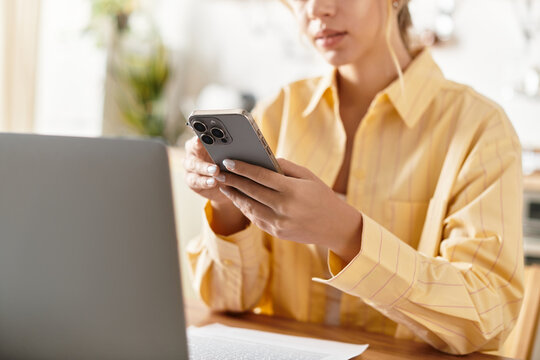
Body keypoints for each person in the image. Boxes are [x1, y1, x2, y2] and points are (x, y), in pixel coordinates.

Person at [183, 0, 524, 355]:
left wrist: (345, 233)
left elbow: (485, 317)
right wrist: (227, 206)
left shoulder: (480, 130)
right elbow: (227, 302)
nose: (315, 8)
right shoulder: (278, 112)